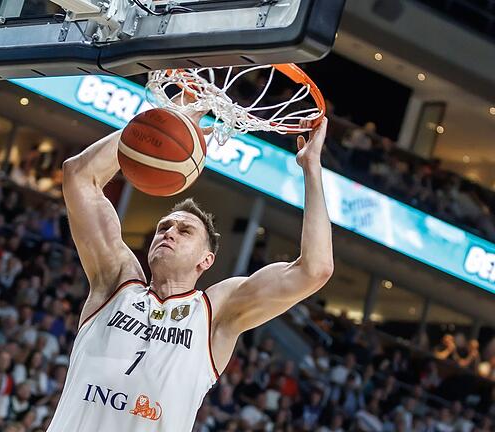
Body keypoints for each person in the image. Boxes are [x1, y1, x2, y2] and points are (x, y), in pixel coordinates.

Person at [45, 101, 333, 431]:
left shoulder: (215, 312)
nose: (169, 233)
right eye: (163, 227)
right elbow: (78, 176)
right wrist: (160, 123)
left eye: (184, 231)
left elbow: (315, 269)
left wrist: (312, 169)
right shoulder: (116, 281)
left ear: (205, 260)